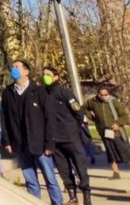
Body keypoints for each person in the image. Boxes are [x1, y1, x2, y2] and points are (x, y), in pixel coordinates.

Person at [0, 59, 63, 204]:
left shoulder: (39, 91)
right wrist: (7, 140)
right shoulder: (8, 93)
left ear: (26, 71)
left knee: (50, 179)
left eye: (17, 67)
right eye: (12, 67)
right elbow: (4, 118)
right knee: (30, 180)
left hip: (39, 143)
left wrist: (49, 144)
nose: (13, 69)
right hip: (20, 143)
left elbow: (49, 119)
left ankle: (57, 202)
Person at [42, 65, 92, 205]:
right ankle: (72, 195)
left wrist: (74, 129)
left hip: (71, 137)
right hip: (55, 140)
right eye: (44, 74)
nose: (45, 76)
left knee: (80, 167)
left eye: (48, 74)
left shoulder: (65, 93)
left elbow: (79, 113)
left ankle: (87, 197)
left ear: (56, 77)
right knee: (64, 170)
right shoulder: (44, 95)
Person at [83, 85, 130, 180]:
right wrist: (92, 117)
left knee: (126, 152)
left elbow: (123, 115)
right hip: (104, 131)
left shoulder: (113, 102)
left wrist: (117, 124)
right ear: (98, 94)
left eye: (106, 94)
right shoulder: (93, 102)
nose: (104, 96)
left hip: (117, 132)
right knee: (111, 153)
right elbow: (84, 108)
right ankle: (115, 172)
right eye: (101, 95)